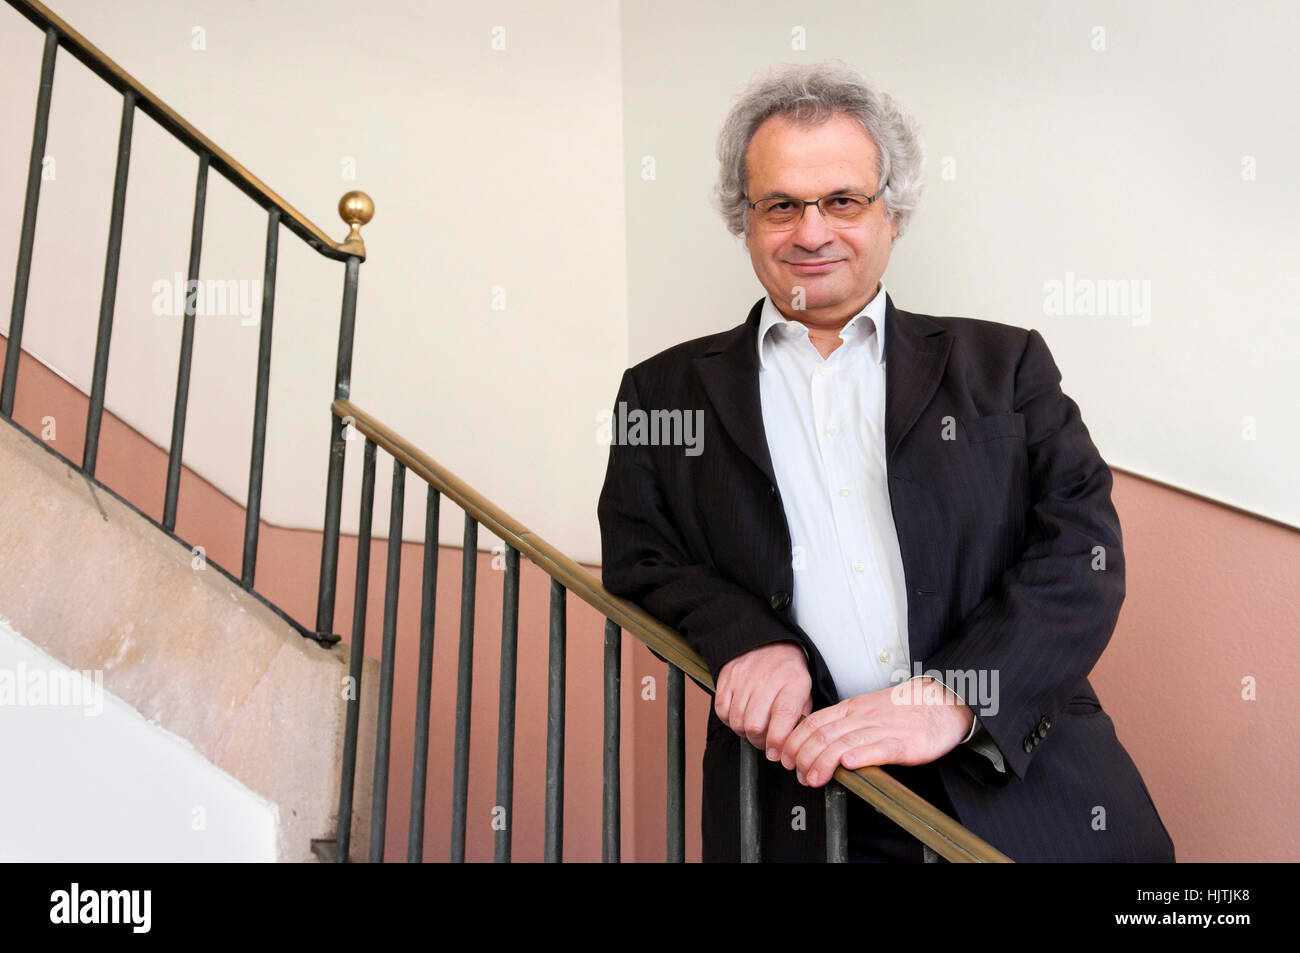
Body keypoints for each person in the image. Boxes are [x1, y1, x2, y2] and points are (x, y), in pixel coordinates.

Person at [597, 61, 1175, 862]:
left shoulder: (1004, 366)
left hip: (1019, 782)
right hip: (799, 793)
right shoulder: (662, 390)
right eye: (781, 206)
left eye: (842, 200)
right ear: (746, 220)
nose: (811, 232)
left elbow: (1082, 553)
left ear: (891, 213)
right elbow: (639, 556)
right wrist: (745, 634)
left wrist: (954, 699)